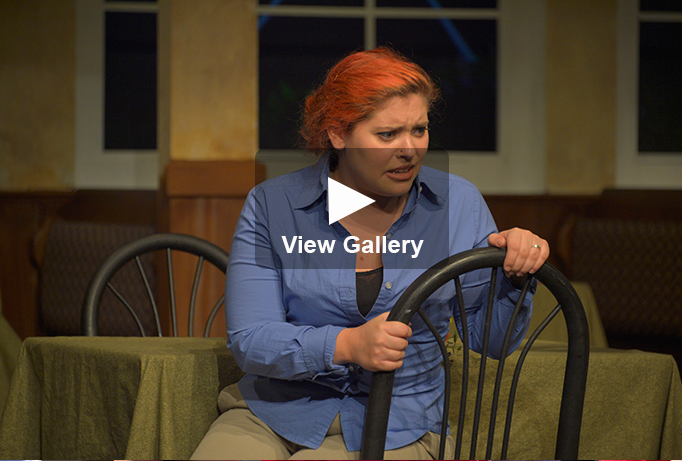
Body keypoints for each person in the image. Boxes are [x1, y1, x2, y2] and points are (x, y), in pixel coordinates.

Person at [191, 47, 549, 460]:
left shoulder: (458, 204)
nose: (409, 149)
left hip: (399, 425)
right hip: (274, 412)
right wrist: (345, 345)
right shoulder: (273, 205)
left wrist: (515, 274)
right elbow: (251, 339)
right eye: (387, 135)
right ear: (337, 134)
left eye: (419, 130)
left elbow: (491, 342)